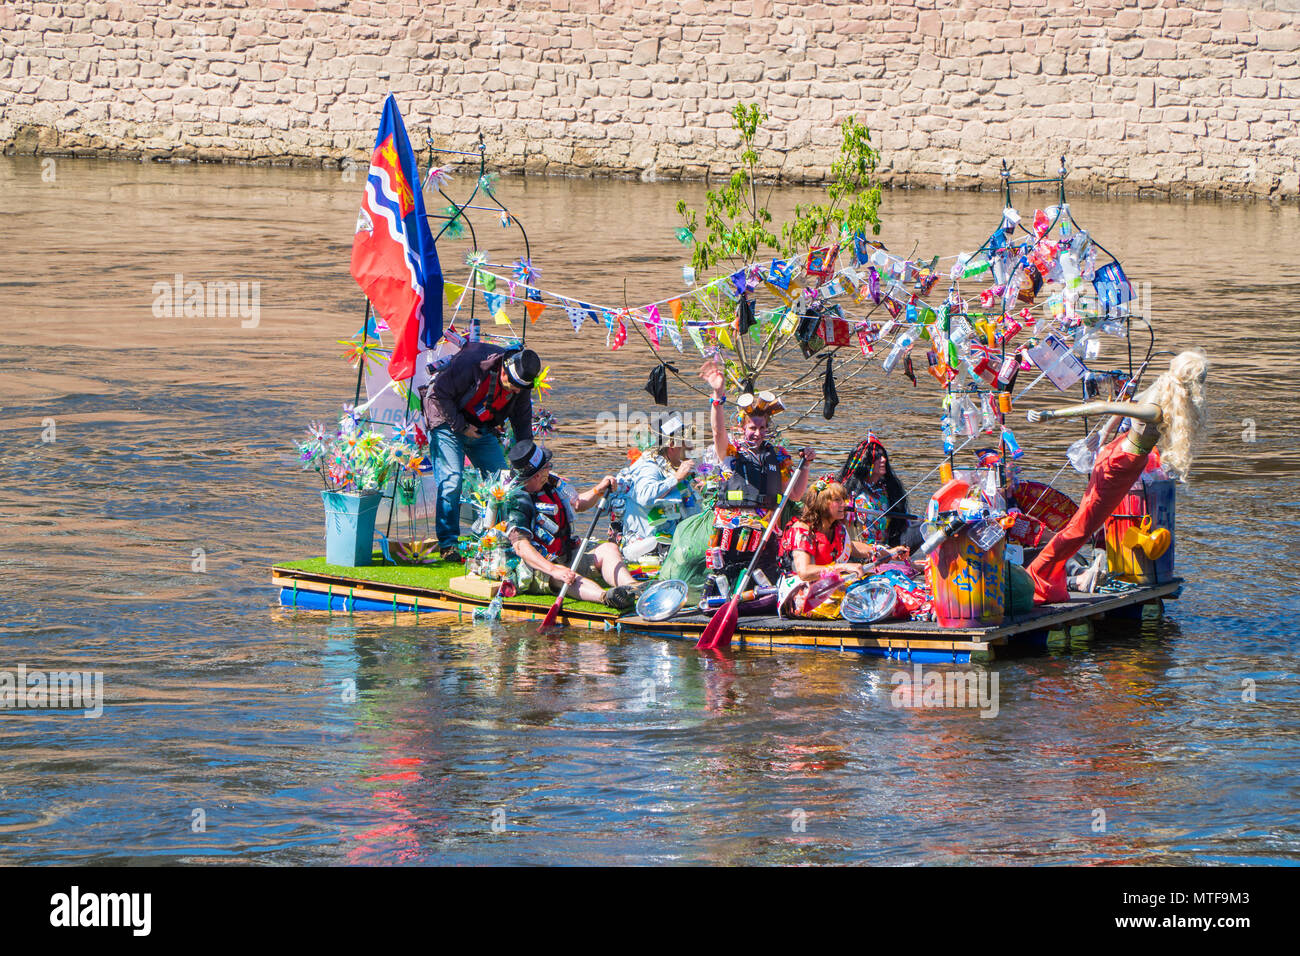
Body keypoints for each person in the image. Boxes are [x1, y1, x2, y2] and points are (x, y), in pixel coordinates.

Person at [1023, 350, 1209, 604]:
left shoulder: (1163, 392)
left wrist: (1104, 434)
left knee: (1083, 525)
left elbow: (1124, 406)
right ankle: (1034, 575)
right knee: (1081, 528)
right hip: (1119, 465)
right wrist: (1051, 415)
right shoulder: (1155, 409)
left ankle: (1046, 574)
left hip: (1126, 460)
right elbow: (1105, 406)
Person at [699, 357, 813, 593]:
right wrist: (717, 396)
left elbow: (795, 494)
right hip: (732, 529)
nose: (757, 433)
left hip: (765, 531)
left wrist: (806, 465)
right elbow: (717, 430)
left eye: (762, 428)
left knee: (763, 581)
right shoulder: (730, 451)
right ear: (742, 428)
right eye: (752, 428)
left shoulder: (779, 456)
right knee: (725, 578)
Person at [424, 344, 539, 561]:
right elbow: (439, 393)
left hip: (480, 426)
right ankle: (449, 543)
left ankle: (495, 540)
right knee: (452, 480)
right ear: (504, 369)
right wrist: (461, 426)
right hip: (444, 417)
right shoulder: (472, 361)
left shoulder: (521, 385)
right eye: (512, 386)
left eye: (519, 389)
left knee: (503, 483)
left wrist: (530, 461)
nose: (515, 392)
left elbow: (523, 424)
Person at [503, 439, 642, 611]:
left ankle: (634, 589)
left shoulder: (551, 482)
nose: (550, 469)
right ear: (537, 474)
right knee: (568, 577)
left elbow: (578, 504)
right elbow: (520, 547)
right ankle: (607, 598)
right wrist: (554, 570)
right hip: (539, 568)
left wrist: (599, 489)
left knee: (609, 549)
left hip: (565, 554)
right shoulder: (516, 501)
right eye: (547, 466)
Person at [777, 478, 910, 618]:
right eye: (838, 500)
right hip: (803, 595)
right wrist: (845, 567)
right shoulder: (802, 531)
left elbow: (850, 547)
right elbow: (805, 572)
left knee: (886, 583)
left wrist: (886, 552)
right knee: (864, 598)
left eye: (843, 500)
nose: (844, 504)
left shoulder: (837, 528)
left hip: (829, 585)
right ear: (822, 503)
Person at [613, 413, 702, 563]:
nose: (690, 446)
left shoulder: (673, 466)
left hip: (676, 544)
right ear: (672, 444)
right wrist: (676, 478)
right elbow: (645, 496)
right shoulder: (649, 467)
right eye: (685, 441)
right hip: (648, 551)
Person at [838, 432, 911, 548]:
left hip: (887, 547)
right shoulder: (850, 495)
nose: (883, 460)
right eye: (877, 457)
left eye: (883, 456)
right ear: (865, 463)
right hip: (862, 549)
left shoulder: (889, 490)